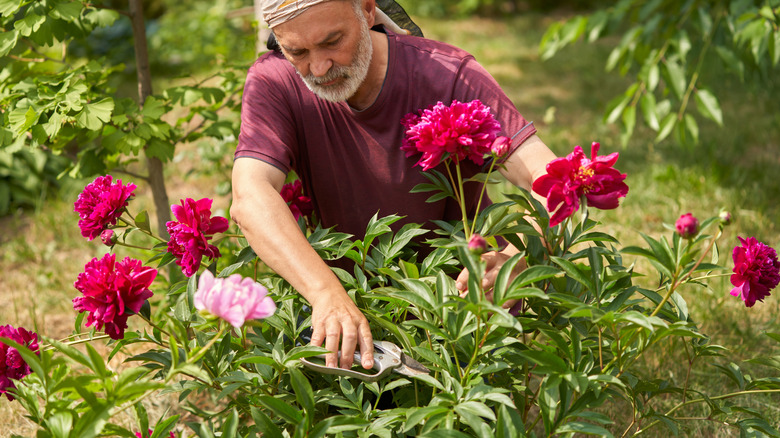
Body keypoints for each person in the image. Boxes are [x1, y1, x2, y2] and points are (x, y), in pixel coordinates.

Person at [231, 0, 557, 372]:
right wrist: (324, 293)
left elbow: (550, 176)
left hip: (464, 309)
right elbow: (249, 195)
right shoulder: (275, 81)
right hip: (352, 313)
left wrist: (518, 255)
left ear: (368, 10)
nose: (319, 67)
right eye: (297, 51)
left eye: (333, 41)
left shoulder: (446, 72)